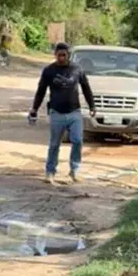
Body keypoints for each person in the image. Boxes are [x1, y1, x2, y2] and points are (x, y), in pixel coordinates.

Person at [29, 42, 96, 184]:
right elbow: (41, 91)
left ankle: (75, 170)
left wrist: (92, 106)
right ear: (55, 55)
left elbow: (86, 88)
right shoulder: (49, 71)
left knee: (77, 140)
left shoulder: (77, 69)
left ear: (68, 55)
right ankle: (50, 171)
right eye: (58, 55)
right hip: (56, 113)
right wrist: (34, 109)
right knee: (54, 144)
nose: (61, 58)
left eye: (64, 55)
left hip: (74, 112)